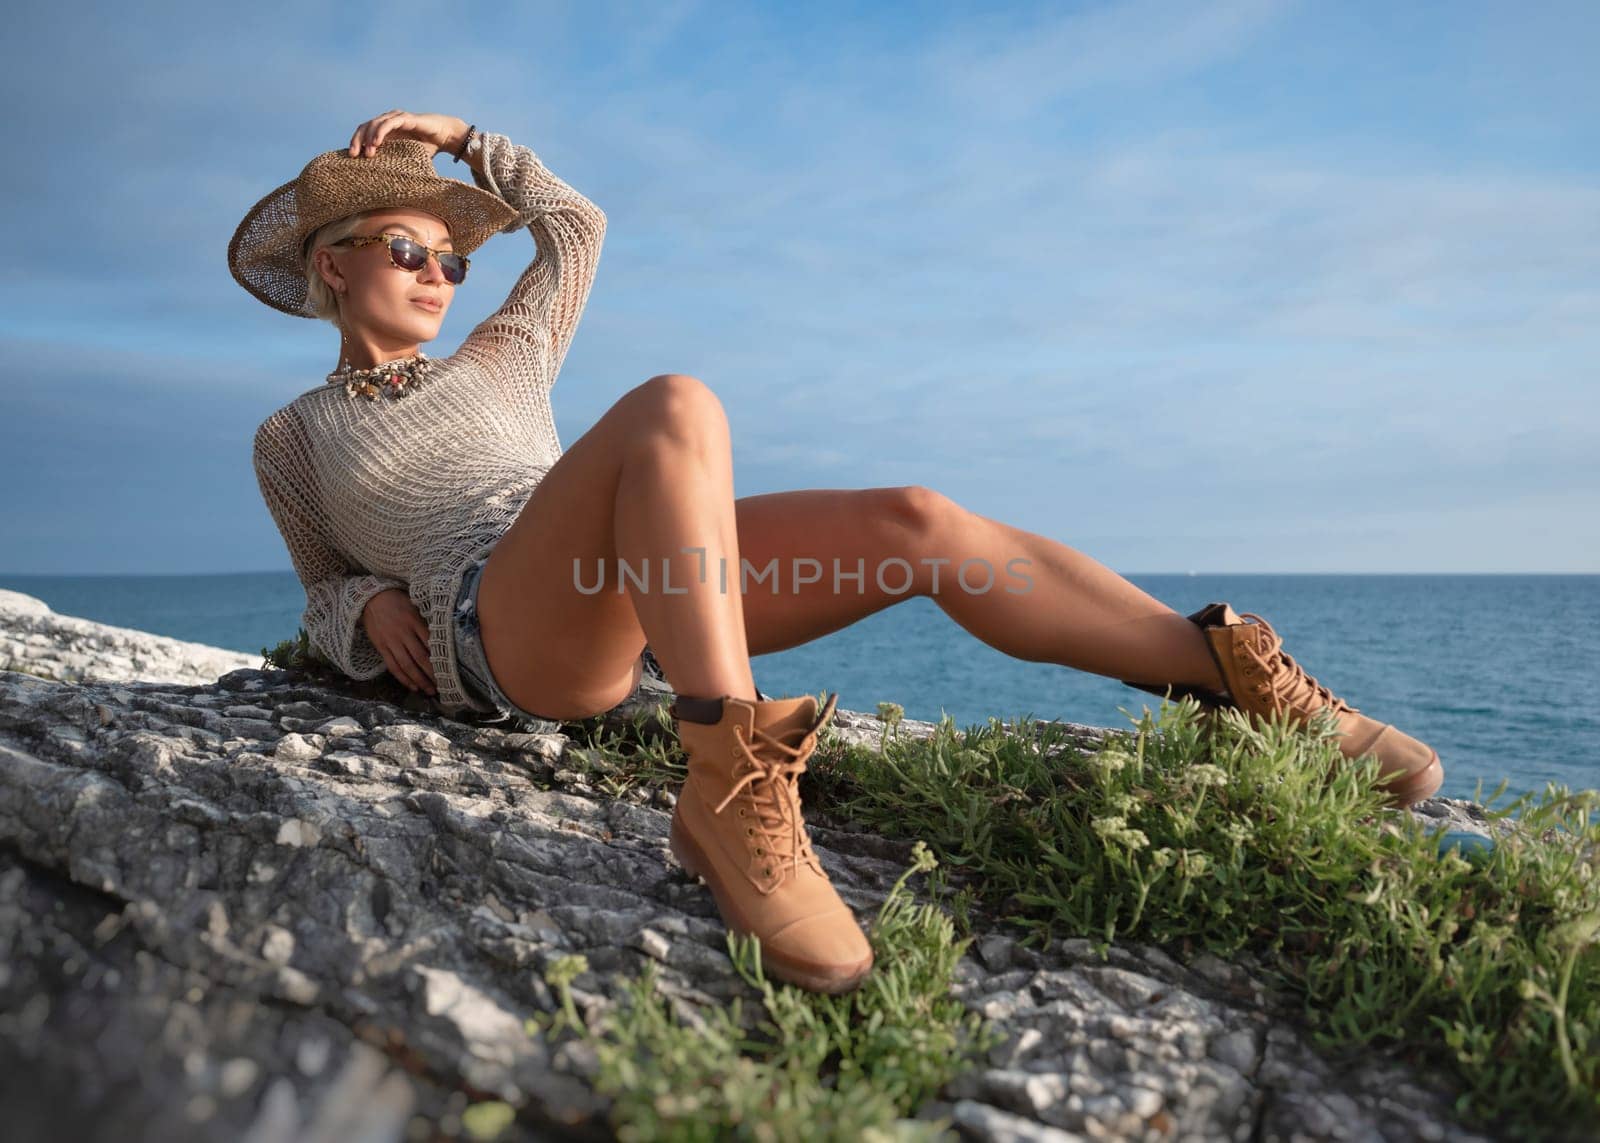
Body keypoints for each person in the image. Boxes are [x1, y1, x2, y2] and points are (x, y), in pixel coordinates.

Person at [232, 109, 1444, 996]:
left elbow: (576, 227)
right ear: (332, 264)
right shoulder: (294, 437)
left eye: (452, 257)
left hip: (650, 591)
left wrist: (466, 137)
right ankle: (732, 786)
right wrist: (362, 612)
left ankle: (1228, 679)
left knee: (913, 517)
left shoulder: (503, 355)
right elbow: (320, 581)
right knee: (675, 406)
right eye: (409, 249)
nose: (442, 273)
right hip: (510, 631)